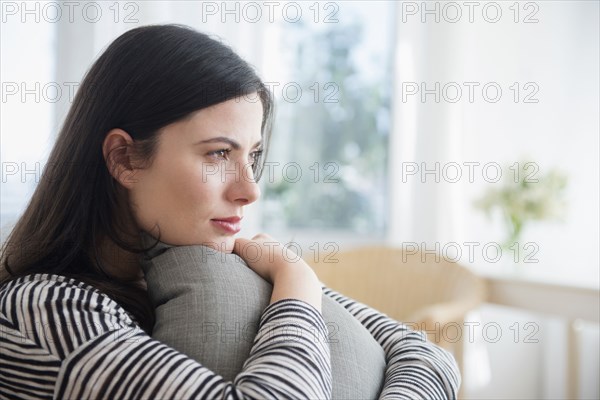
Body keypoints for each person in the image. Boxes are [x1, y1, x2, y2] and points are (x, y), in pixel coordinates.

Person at [0, 24, 459, 399]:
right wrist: (297, 282)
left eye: (253, 156)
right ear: (124, 159)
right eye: (218, 154)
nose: (250, 190)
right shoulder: (43, 309)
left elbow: (431, 358)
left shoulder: (211, 265)